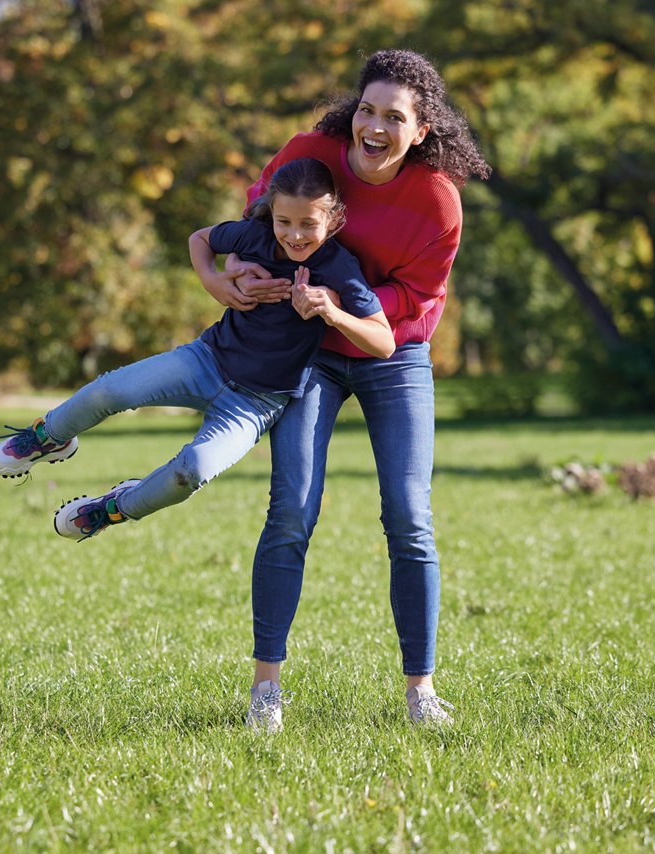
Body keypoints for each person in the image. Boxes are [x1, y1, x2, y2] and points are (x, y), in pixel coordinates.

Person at [198, 50, 490, 732]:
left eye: (395, 116)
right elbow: (255, 227)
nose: (376, 126)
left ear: (421, 131)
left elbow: (419, 298)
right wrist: (230, 274)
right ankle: (265, 689)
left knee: (408, 518)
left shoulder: (437, 200)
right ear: (351, 113)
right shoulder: (309, 154)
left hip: (394, 352)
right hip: (308, 355)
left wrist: (342, 301)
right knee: (292, 510)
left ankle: (421, 692)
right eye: (367, 109)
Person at [0, 157, 396, 540]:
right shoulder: (252, 235)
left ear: (333, 218)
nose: (294, 235)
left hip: (255, 404)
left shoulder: (339, 268)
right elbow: (200, 239)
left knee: (191, 472)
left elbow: (384, 341)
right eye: (284, 221)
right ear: (271, 212)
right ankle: (49, 436)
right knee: (113, 390)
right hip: (206, 360)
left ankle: (113, 508)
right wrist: (215, 281)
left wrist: (333, 313)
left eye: (308, 223)